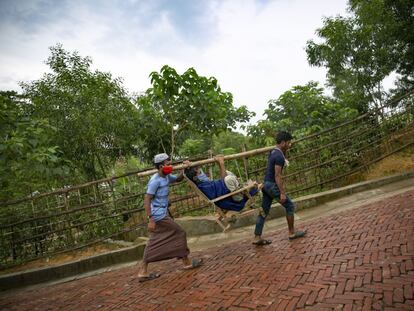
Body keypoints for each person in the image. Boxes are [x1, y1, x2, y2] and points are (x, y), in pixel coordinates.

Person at [137, 153, 203, 282]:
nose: (170, 166)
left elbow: (178, 179)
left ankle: (143, 271)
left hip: (163, 213)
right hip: (158, 215)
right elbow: (147, 199)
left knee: (154, 240)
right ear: (161, 166)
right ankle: (186, 261)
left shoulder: (166, 177)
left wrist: (185, 168)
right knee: (180, 232)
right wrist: (150, 218)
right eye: (168, 164)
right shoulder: (155, 181)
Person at [253, 131, 306, 245]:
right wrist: (282, 192)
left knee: (264, 211)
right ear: (282, 143)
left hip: (265, 185)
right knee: (290, 205)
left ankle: (257, 237)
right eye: (288, 142)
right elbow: (277, 176)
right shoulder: (278, 156)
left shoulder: (274, 152)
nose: (290, 145)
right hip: (272, 185)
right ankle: (292, 233)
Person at [185, 155, 258, 212]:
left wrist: (219, 163)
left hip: (226, 194)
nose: (202, 172)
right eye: (199, 172)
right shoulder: (203, 186)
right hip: (227, 199)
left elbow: (221, 183)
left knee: (228, 173)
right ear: (195, 178)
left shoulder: (202, 182)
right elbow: (223, 181)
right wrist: (221, 163)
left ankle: (239, 190)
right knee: (228, 178)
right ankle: (238, 194)